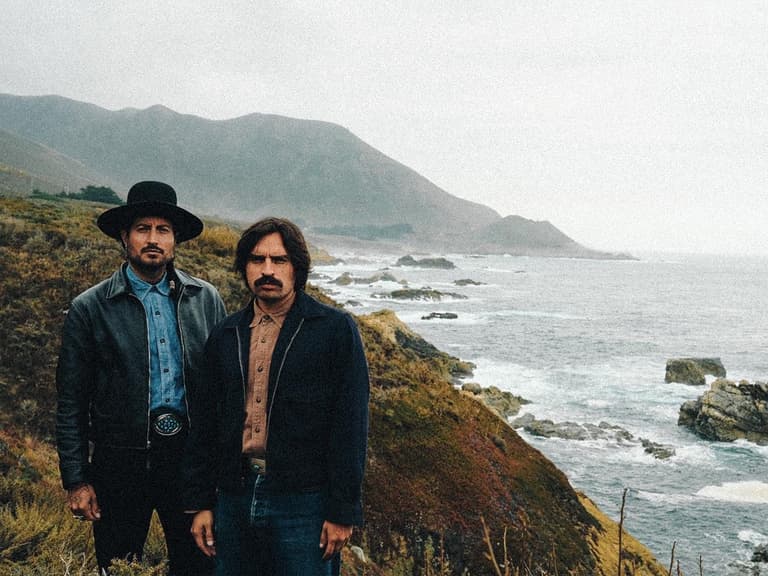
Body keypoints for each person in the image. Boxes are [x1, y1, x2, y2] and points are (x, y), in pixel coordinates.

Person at [55, 181, 226, 575]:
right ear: (125, 236)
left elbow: (224, 390)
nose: (153, 239)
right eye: (142, 229)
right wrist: (77, 480)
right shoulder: (90, 308)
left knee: (199, 566)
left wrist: (221, 471)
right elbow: (72, 402)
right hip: (119, 465)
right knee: (119, 567)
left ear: (175, 239)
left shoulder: (206, 299)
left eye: (163, 230)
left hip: (190, 464)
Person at [182, 217, 370, 576]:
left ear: (298, 267)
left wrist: (341, 512)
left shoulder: (333, 330)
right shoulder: (226, 334)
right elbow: (204, 422)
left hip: (304, 503)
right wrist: (200, 503)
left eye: (279, 260)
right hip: (233, 498)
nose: (267, 269)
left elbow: (351, 426)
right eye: (257, 259)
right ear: (244, 267)